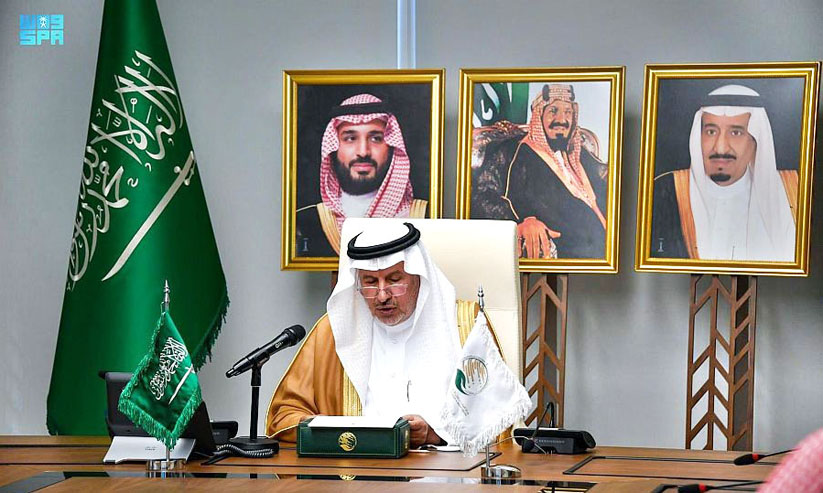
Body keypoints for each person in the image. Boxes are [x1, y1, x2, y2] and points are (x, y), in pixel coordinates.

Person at [266, 222, 493, 447]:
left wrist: (433, 435)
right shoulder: (332, 332)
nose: (382, 296)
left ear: (418, 276)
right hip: (358, 466)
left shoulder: (465, 324)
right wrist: (334, 429)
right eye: (371, 282)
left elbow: (495, 417)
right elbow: (284, 416)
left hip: (442, 467)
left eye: (395, 280)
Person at [651, 84, 797, 261]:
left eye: (736, 132)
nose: (720, 147)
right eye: (711, 132)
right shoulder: (665, 191)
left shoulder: (792, 192)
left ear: (756, 141)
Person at [471, 84, 608, 259]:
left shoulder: (580, 154)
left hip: (604, 249)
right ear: (539, 115)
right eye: (553, 111)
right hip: (565, 252)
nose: (562, 119)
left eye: (568, 112)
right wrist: (521, 224)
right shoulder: (512, 151)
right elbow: (482, 195)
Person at [295, 94, 428, 257]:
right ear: (334, 147)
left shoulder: (423, 217)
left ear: (392, 146)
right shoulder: (305, 221)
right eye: (350, 138)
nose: (363, 152)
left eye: (376, 138)